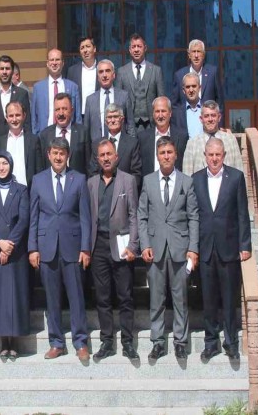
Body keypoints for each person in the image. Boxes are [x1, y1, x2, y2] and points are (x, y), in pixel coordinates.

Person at [29, 137, 91, 362]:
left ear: (68, 156)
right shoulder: (38, 180)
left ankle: (80, 341)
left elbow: (85, 217)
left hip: (72, 248)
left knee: (76, 297)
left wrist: (85, 247)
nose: (58, 157)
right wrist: (32, 248)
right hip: (47, 248)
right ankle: (56, 342)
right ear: (48, 155)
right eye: (54, 153)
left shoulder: (79, 179)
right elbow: (34, 217)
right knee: (52, 299)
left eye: (62, 153)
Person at [138, 136, 199, 361]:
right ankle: (158, 341)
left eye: (169, 152)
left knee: (180, 298)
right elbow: (142, 215)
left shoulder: (186, 182)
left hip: (180, 249)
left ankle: (180, 341)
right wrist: (144, 244)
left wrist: (193, 248)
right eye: (162, 153)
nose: (166, 156)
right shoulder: (148, 181)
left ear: (176, 155)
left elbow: (193, 217)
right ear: (157, 156)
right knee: (156, 298)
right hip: (155, 249)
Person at [192, 138, 251, 361]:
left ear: (224, 155)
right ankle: (210, 342)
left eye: (218, 155)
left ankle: (231, 342)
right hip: (205, 247)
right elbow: (193, 215)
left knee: (229, 298)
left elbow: (242, 214)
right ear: (205, 156)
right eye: (211, 155)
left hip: (228, 247)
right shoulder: (196, 179)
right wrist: (193, 248)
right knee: (208, 299)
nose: (214, 159)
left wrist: (245, 245)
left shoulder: (236, 177)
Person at [87, 139, 140, 361]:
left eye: (109, 154)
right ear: (97, 159)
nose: (106, 158)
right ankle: (107, 341)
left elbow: (134, 215)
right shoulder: (91, 183)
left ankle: (128, 342)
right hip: (98, 246)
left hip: (122, 245)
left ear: (116, 156)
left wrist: (133, 246)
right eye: (102, 155)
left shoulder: (128, 180)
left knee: (125, 296)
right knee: (102, 297)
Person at [0, 151, 31, 359]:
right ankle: (2, 343)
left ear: (11, 165)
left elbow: (24, 219)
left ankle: (15, 343)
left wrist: (9, 245)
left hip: (15, 252)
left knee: (14, 296)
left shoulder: (21, 190)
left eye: (5, 163)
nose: (1, 167)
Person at [116, 33, 165, 132]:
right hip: (129, 126)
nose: (136, 50)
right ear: (130, 50)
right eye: (133, 47)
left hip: (151, 125)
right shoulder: (122, 72)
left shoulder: (156, 71)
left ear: (145, 48)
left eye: (139, 46)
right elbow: (118, 102)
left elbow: (161, 99)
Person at [182, 100, 243, 176]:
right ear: (201, 119)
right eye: (206, 116)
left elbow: (239, 173)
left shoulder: (231, 140)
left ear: (219, 117)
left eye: (213, 115)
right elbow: (187, 176)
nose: (210, 119)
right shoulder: (192, 144)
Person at [88, 104, 142, 187]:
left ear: (122, 119)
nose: (112, 120)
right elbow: (93, 173)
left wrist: (124, 190)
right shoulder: (97, 144)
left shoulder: (132, 143)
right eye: (109, 117)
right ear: (105, 121)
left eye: (116, 117)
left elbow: (136, 174)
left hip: (125, 191)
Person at [0, 55, 32, 143]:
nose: (4, 72)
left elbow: (27, 123)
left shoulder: (22, 94)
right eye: (2, 69)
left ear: (12, 71)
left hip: (18, 143)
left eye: (7, 69)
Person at [0, 101, 43, 187]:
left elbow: (39, 169)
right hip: (6, 189)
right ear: (6, 118)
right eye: (11, 116)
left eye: (18, 115)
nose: (14, 119)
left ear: (24, 116)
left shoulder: (33, 140)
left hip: (28, 190)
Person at [38, 93, 90, 175]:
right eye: (57, 109)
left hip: (77, 181)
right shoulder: (45, 135)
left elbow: (89, 164)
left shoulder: (83, 132)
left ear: (72, 110)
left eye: (64, 109)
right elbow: (41, 167)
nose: (61, 113)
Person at [32, 48, 81, 134]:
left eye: (57, 59)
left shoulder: (73, 87)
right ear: (47, 63)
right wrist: (35, 136)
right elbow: (33, 117)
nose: (54, 63)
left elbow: (77, 117)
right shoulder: (38, 88)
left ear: (63, 63)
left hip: (67, 134)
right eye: (52, 60)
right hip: (44, 136)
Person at [137, 96, 188, 177]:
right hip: (150, 184)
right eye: (157, 111)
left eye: (163, 111)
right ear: (153, 114)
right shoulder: (142, 138)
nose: (160, 116)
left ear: (170, 113)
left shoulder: (182, 137)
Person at [83, 59, 133, 142]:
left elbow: (130, 125)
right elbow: (86, 130)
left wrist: (131, 145)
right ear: (97, 77)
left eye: (107, 71)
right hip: (97, 146)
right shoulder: (90, 100)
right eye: (101, 72)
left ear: (113, 75)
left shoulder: (124, 96)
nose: (104, 75)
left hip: (120, 145)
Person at [170, 39, 224, 113]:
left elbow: (220, 102)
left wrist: (219, 120)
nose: (196, 55)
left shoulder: (213, 73)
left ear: (203, 55)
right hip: (187, 118)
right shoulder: (179, 75)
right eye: (193, 51)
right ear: (189, 54)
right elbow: (174, 104)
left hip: (208, 118)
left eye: (198, 51)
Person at [66, 36, 99, 120]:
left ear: (94, 49)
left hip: (99, 115)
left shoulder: (102, 68)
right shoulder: (72, 71)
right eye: (82, 48)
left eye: (88, 46)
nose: (85, 50)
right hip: (79, 117)